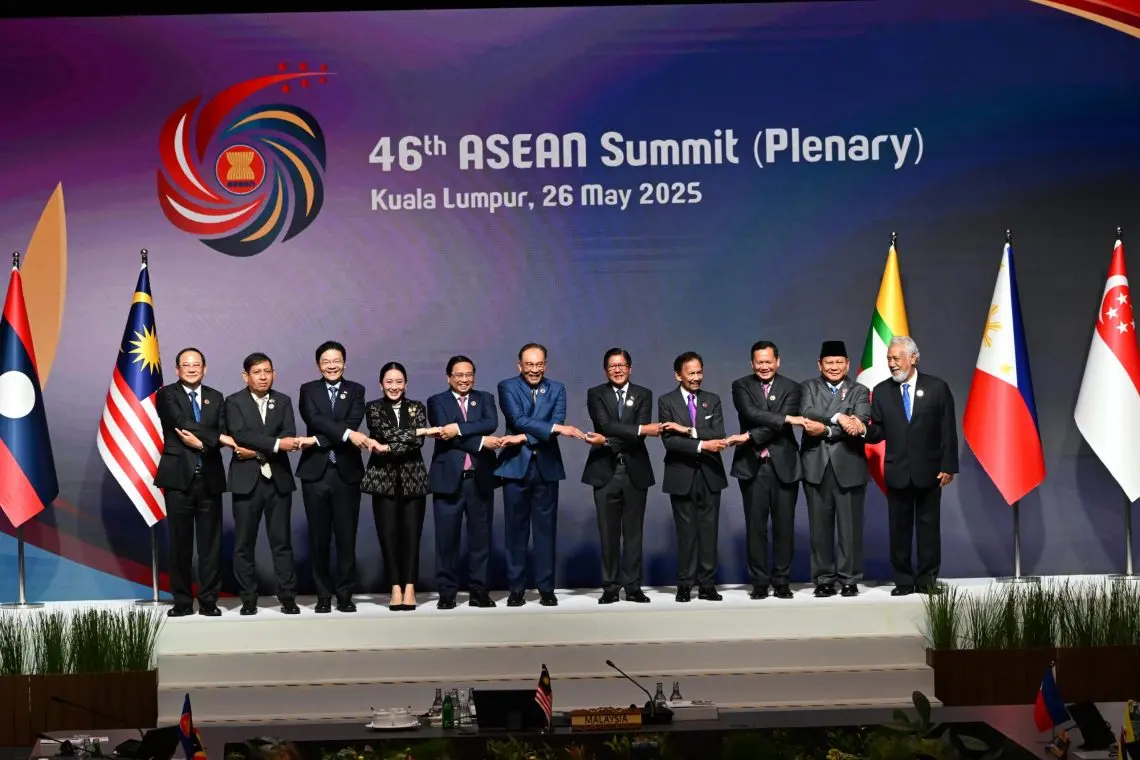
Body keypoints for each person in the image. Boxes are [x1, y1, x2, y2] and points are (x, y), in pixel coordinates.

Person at [855, 335, 958, 595]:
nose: (891, 363)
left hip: (930, 470)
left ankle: (926, 581)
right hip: (897, 470)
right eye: (889, 358)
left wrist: (949, 465)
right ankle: (903, 581)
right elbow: (877, 431)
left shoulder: (937, 388)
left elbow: (948, 430)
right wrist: (862, 430)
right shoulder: (881, 391)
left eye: (896, 358)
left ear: (913, 358)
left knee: (928, 529)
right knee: (899, 529)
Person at [495, 343, 585, 607]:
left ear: (545, 365)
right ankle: (516, 590)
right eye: (529, 364)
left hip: (546, 467)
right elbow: (519, 418)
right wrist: (555, 428)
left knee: (546, 532)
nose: (534, 370)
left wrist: (522, 437)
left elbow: (551, 423)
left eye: (539, 364)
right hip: (515, 468)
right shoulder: (507, 386)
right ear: (519, 365)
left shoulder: (557, 388)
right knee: (515, 532)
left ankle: (546, 588)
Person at [224, 352, 303, 616]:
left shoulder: (283, 401)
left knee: (282, 543)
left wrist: (255, 452)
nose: (263, 377)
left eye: (267, 371)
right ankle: (248, 599)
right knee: (244, 543)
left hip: (278, 480)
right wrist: (274, 446)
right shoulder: (233, 402)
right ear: (246, 376)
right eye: (257, 372)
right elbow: (240, 435)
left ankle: (288, 597)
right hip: (246, 482)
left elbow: (289, 436)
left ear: (274, 374)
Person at [154, 347, 231, 617]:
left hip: (209, 477)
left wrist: (202, 443)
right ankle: (183, 602)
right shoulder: (167, 394)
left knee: (210, 545)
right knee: (180, 544)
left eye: (196, 364)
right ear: (177, 369)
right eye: (185, 365)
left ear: (204, 368)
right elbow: (180, 422)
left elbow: (224, 429)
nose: (191, 368)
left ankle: (209, 601)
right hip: (178, 479)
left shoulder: (216, 397)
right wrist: (216, 439)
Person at [581, 348, 660, 604]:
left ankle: (633, 586)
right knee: (608, 533)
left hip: (635, 470)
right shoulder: (596, 394)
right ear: (606, 370)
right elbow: (605, 425)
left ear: (630, 368)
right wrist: (637, 430)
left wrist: (608, 441)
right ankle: (610, 587)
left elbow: (635, 436)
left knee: (634, 532)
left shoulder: (643, 394)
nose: (617, 369)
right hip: (605, 472)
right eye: (613, 366)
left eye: (622, 365)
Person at [726, 341, 803, 600]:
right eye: (759, 362)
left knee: (784, 526)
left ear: (777, 361)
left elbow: (780, 425)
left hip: (784, 465)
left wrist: (748, 436)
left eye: (769, 361)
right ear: (752, 363)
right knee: (755, 527)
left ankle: (781, 581)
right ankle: (759, 582)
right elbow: (749, 411)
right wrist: (783, 418)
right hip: (753, 466)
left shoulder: (792, 387)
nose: (764, 366)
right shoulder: (741, 385)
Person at [361, 362, 440, 611]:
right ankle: (395, 586)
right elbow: (380, 432)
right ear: (381, 384)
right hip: (382, 480)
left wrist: (391, 445)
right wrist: (422, 431)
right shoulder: (373, 407)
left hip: (413, 479)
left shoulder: (417, 407)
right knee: (388, 536)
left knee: (411, 536)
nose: (394, 386)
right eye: (389, 382)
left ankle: (410, 587)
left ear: (406, 384)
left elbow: (414, 444)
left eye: (398, 382)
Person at [295, 341, 368, 613]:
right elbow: (314, 419)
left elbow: (353, 422)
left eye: (336, 360)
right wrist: (345, 436)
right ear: (319, 365)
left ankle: (345, 595)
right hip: (315, 473)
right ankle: (323, 596)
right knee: (319, 538)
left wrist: (316, 440)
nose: (332, 365)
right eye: (326, 361)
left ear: (344, 363)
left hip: (347, 473)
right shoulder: (308, 390)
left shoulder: (356, 390)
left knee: (347, 537)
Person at [426, 355, 503, 609]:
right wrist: (480, 441)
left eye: (468, 374)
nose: (464, 379)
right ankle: (447, 593)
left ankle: (479, 592)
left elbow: (490, 423)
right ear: (449, 377)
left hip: (479, 478)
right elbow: (444, 435)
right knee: (446, 540)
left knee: (480, 540)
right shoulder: (436, 401)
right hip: (448, 479)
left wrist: (457, 428)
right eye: (458, 375)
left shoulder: (485, 399)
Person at [797, 340, 872, 598]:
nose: (834, 367)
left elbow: (860, 422)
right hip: (816, 465)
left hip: (848, 464)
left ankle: (849, 579)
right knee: (819, 527)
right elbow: (806, 412)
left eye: (839, 362)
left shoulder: (859, 390)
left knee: (850, 528)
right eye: (829, 362)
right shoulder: (807, 387)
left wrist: (827, 428)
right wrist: (839, 416)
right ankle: (824, 578)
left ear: (848, 364)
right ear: (819, 364)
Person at [658, 351, 728, 602]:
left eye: (700, 372)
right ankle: (685, 584)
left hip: (710, 474)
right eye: (691, 373)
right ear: (678, 375)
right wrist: (702, 445)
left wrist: (687, 429)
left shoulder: (713, 399)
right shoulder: (666, 401)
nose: (697, 377)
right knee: (686, 533)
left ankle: (708, 584)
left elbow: (718, 432)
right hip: (681, 475)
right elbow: (670, 441)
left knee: (709, 531)